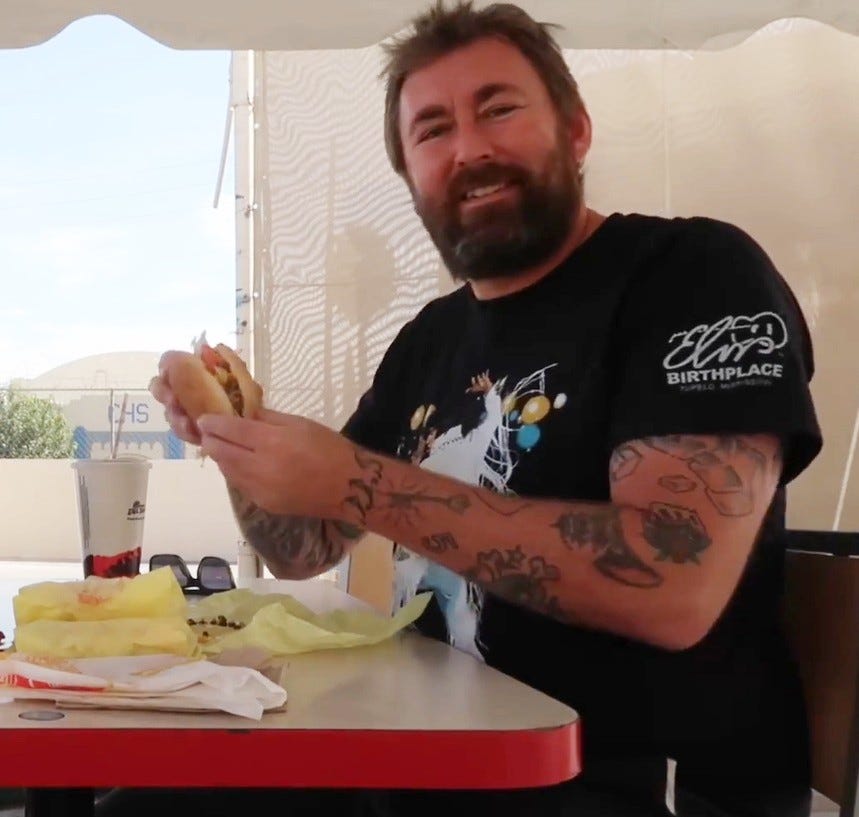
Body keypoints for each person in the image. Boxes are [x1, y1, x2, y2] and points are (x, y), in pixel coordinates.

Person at [143, 2, 823, 816]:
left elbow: (672, 586)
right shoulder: (430, 338)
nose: (468, 149)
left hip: (616, 786)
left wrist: (356, 479)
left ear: (575, 130)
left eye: (497, 109)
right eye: (432, 130)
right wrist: (234, 439)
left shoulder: (693, 274)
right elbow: (302, 547)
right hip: (425, 760)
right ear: (410, 178)